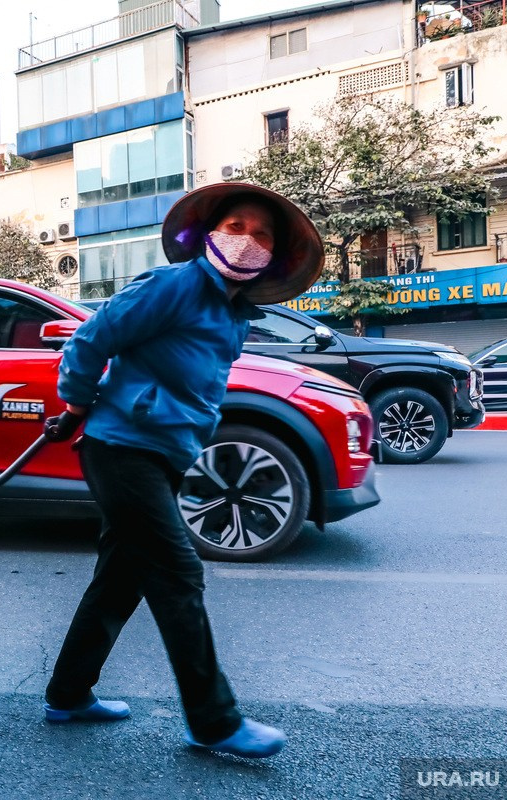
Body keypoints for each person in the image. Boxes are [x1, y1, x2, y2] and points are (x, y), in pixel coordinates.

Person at [40, 182, 324, 759]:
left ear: (273, 255)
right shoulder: (172, 285)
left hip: (163, 453)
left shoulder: (234, 313)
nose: (247, 240)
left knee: (120, 581)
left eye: (261, 234)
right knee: (178, 574)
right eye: (236, 227)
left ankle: (68, 694)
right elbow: (90, 340)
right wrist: (78, 403)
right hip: (122, 447)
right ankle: (213, 721)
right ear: (210, 234)